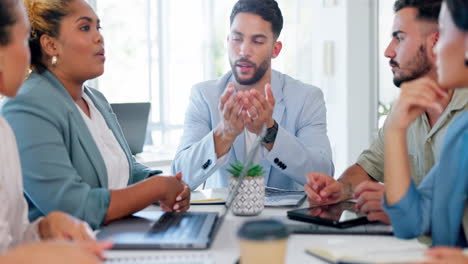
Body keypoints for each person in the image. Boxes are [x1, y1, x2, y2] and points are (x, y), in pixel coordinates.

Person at [1, 0, 190, 230]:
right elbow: (75, 206)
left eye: (98, 28)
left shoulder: (95, 99)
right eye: (84, 27)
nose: (99, 37)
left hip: (120, 236)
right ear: (51, 45)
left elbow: (124, 168)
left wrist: (167, 184)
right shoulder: (27, 106)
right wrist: (157, 188)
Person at [305, 0, 468, 224]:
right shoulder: (404, 108)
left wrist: (404, 208)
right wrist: (340, 189)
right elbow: (369, 168)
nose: (388, 51)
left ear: (436, 42)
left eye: (399, 38)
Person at [172, 0, 334, 191]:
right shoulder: (204, 96)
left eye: (257, 41)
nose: (243, 51)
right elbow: (179, 178)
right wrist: (223, 134)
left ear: (276, 49)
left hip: (285, 219)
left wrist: (270, 132)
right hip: (223, 217)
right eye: (237, 39)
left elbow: (323, 174)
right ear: (227, 41)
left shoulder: (307, 98)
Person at [0, 0, 110, 262]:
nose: (30, 55)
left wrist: (45, 228)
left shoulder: (3, 130)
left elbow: (11, 240)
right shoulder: (22, 109)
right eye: (24, 39)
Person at [383, 0, 468, 249]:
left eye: (443, 32)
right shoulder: (460, 134)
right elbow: (410, 223)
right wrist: (395, 130)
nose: (435, 50)